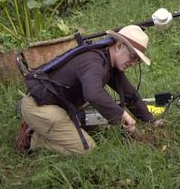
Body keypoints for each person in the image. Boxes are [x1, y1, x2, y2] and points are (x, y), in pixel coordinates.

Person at [16, 25, 161, 155]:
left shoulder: (109, 62)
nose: (134, 63)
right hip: (41, 106)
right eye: (133, 56)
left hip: (63, 105)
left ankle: (52, 129)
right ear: (119, 46)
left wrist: (150, 120)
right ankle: (32, 139)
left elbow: (130, 95)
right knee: (87, 149)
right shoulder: (93, 62)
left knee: (99, 127)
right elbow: (93, 94)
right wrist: (121, 114)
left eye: (138, 61)